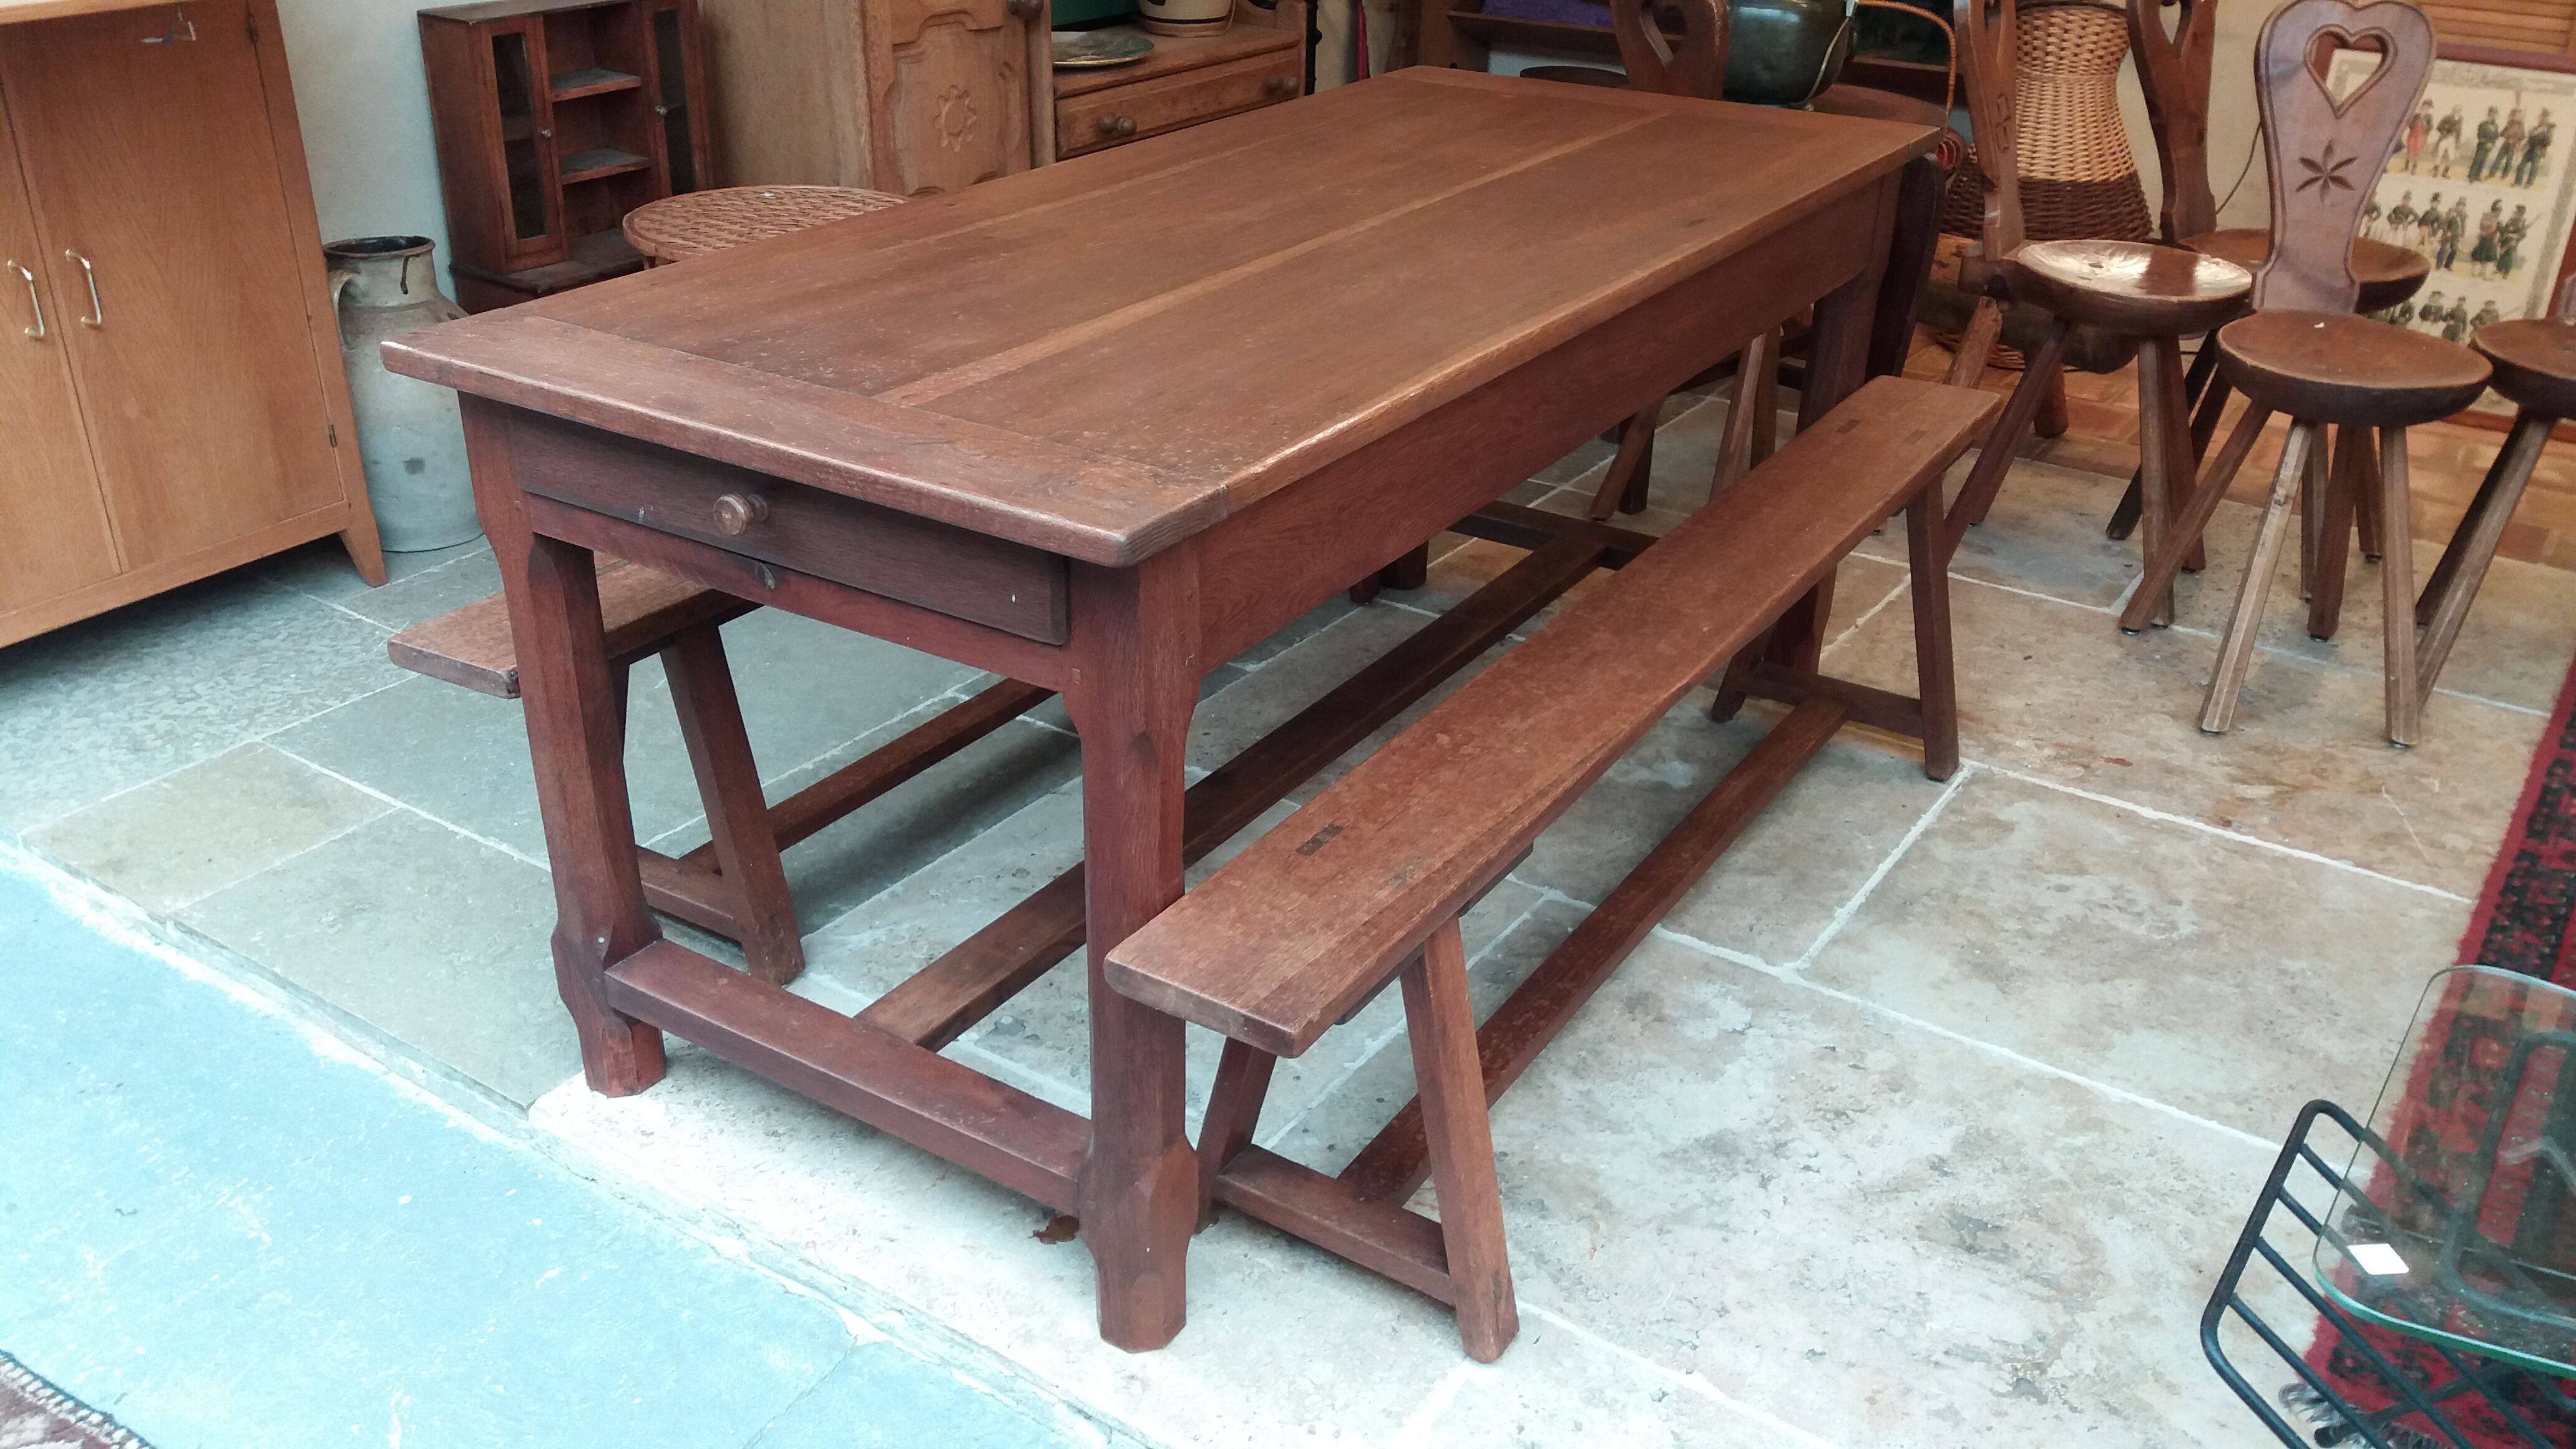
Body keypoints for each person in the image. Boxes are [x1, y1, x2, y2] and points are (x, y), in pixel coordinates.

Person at [2519, 109, 2555, 188]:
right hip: (2530, 149)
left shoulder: (2547, 131)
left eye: (2545, 118)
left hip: (2539, 150)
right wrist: (2524, 147)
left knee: (2534, 168)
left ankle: (2529, 184)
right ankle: (2518, 182)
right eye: (2541, 118)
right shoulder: (2534, 129)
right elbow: (2529, 139)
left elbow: (2548, 142)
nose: (2542, 120)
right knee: (2521, 166)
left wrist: (2543, 149)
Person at [2471, 199, 2502, 278]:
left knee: (2479, 256)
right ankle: (2482, 274)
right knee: (2487, 258)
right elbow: (2500, 229)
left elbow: (2481, 226)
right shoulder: (2497, 219)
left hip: (2482, 238)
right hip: (2489, 240)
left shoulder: (2485, 216)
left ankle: (2477, 273)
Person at [2497, 107, 2528, 187]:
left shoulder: (2521, 126)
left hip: (2513, 145)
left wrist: (2516, 140)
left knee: (2509, 161)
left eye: (2518, 115)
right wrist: (2507, 136)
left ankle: (2505, 175)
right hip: (2506, 143)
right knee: (2499, 158)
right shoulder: (2510, 123)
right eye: (2515, 115)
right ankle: (2492, 173)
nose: (2516, 116)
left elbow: (2523, 136)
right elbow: (2502, 133)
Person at [2432, 104, 2465, 176]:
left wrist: (2458, 142)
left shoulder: (2461, 120)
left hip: (2453, 140)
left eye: (2459, 111)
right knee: (2439, 155)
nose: (2457, 112)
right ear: (2453, 110)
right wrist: (2445, 132)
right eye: (2456, 110)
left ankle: (2445, 173)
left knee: (2451, 157)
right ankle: (2436, 171)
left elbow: (2459, 132)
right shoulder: (2447, 118)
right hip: (2444, 138)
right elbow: (2439, 127)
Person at [2500, 203, 2530, 278]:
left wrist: (2516, 238)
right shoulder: (2513, 218)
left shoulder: (2520, 220)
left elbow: (2521, 232)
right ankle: (2500, 269)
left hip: (2513, 239)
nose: (2516, 212)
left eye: (2518, 211)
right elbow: (2507, 227)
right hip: (2507, 238)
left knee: (2510, 256)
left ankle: (2506, 273)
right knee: (2503, 254)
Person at [2472, 105, 2501, 182]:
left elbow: (2496, 136)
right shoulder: (2483, 124)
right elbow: (2480, 135)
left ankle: (2478, 176)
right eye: (2492, 113)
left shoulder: (2496, 126)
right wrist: (2485, 142)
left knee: (2483, 161)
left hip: (2489, 146)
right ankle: (2472, 176)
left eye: (2495, 114)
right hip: (2482, 145)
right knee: (2478, 160)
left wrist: (2492, 144)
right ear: (2489, 114)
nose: (2493, 115)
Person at [2403, 101, 2432, 172]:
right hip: (2413, 134)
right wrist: (2416, 121)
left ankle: (2414, 168)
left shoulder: (2429, 117)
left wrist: (2425, 124)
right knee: (2410, 150)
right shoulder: (2416, 116)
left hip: (2421, 136)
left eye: (2427, 108)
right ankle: (2406, 166)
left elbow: (2431, 127)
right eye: (2424, 107)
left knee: (2418, 152)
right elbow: (2410, 126)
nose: (2426, 109)